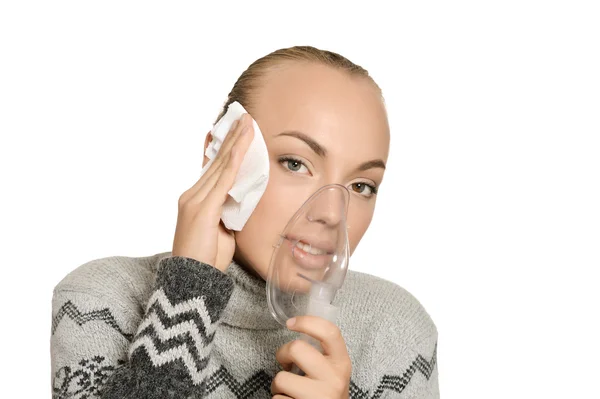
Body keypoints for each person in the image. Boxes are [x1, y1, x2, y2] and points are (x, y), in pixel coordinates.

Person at [50, 45, 439, 399]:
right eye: (295, 163)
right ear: (220, 154)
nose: (333, 214)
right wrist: (186, 295)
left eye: (362, 186)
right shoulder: (101, 301)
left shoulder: (396, 330)